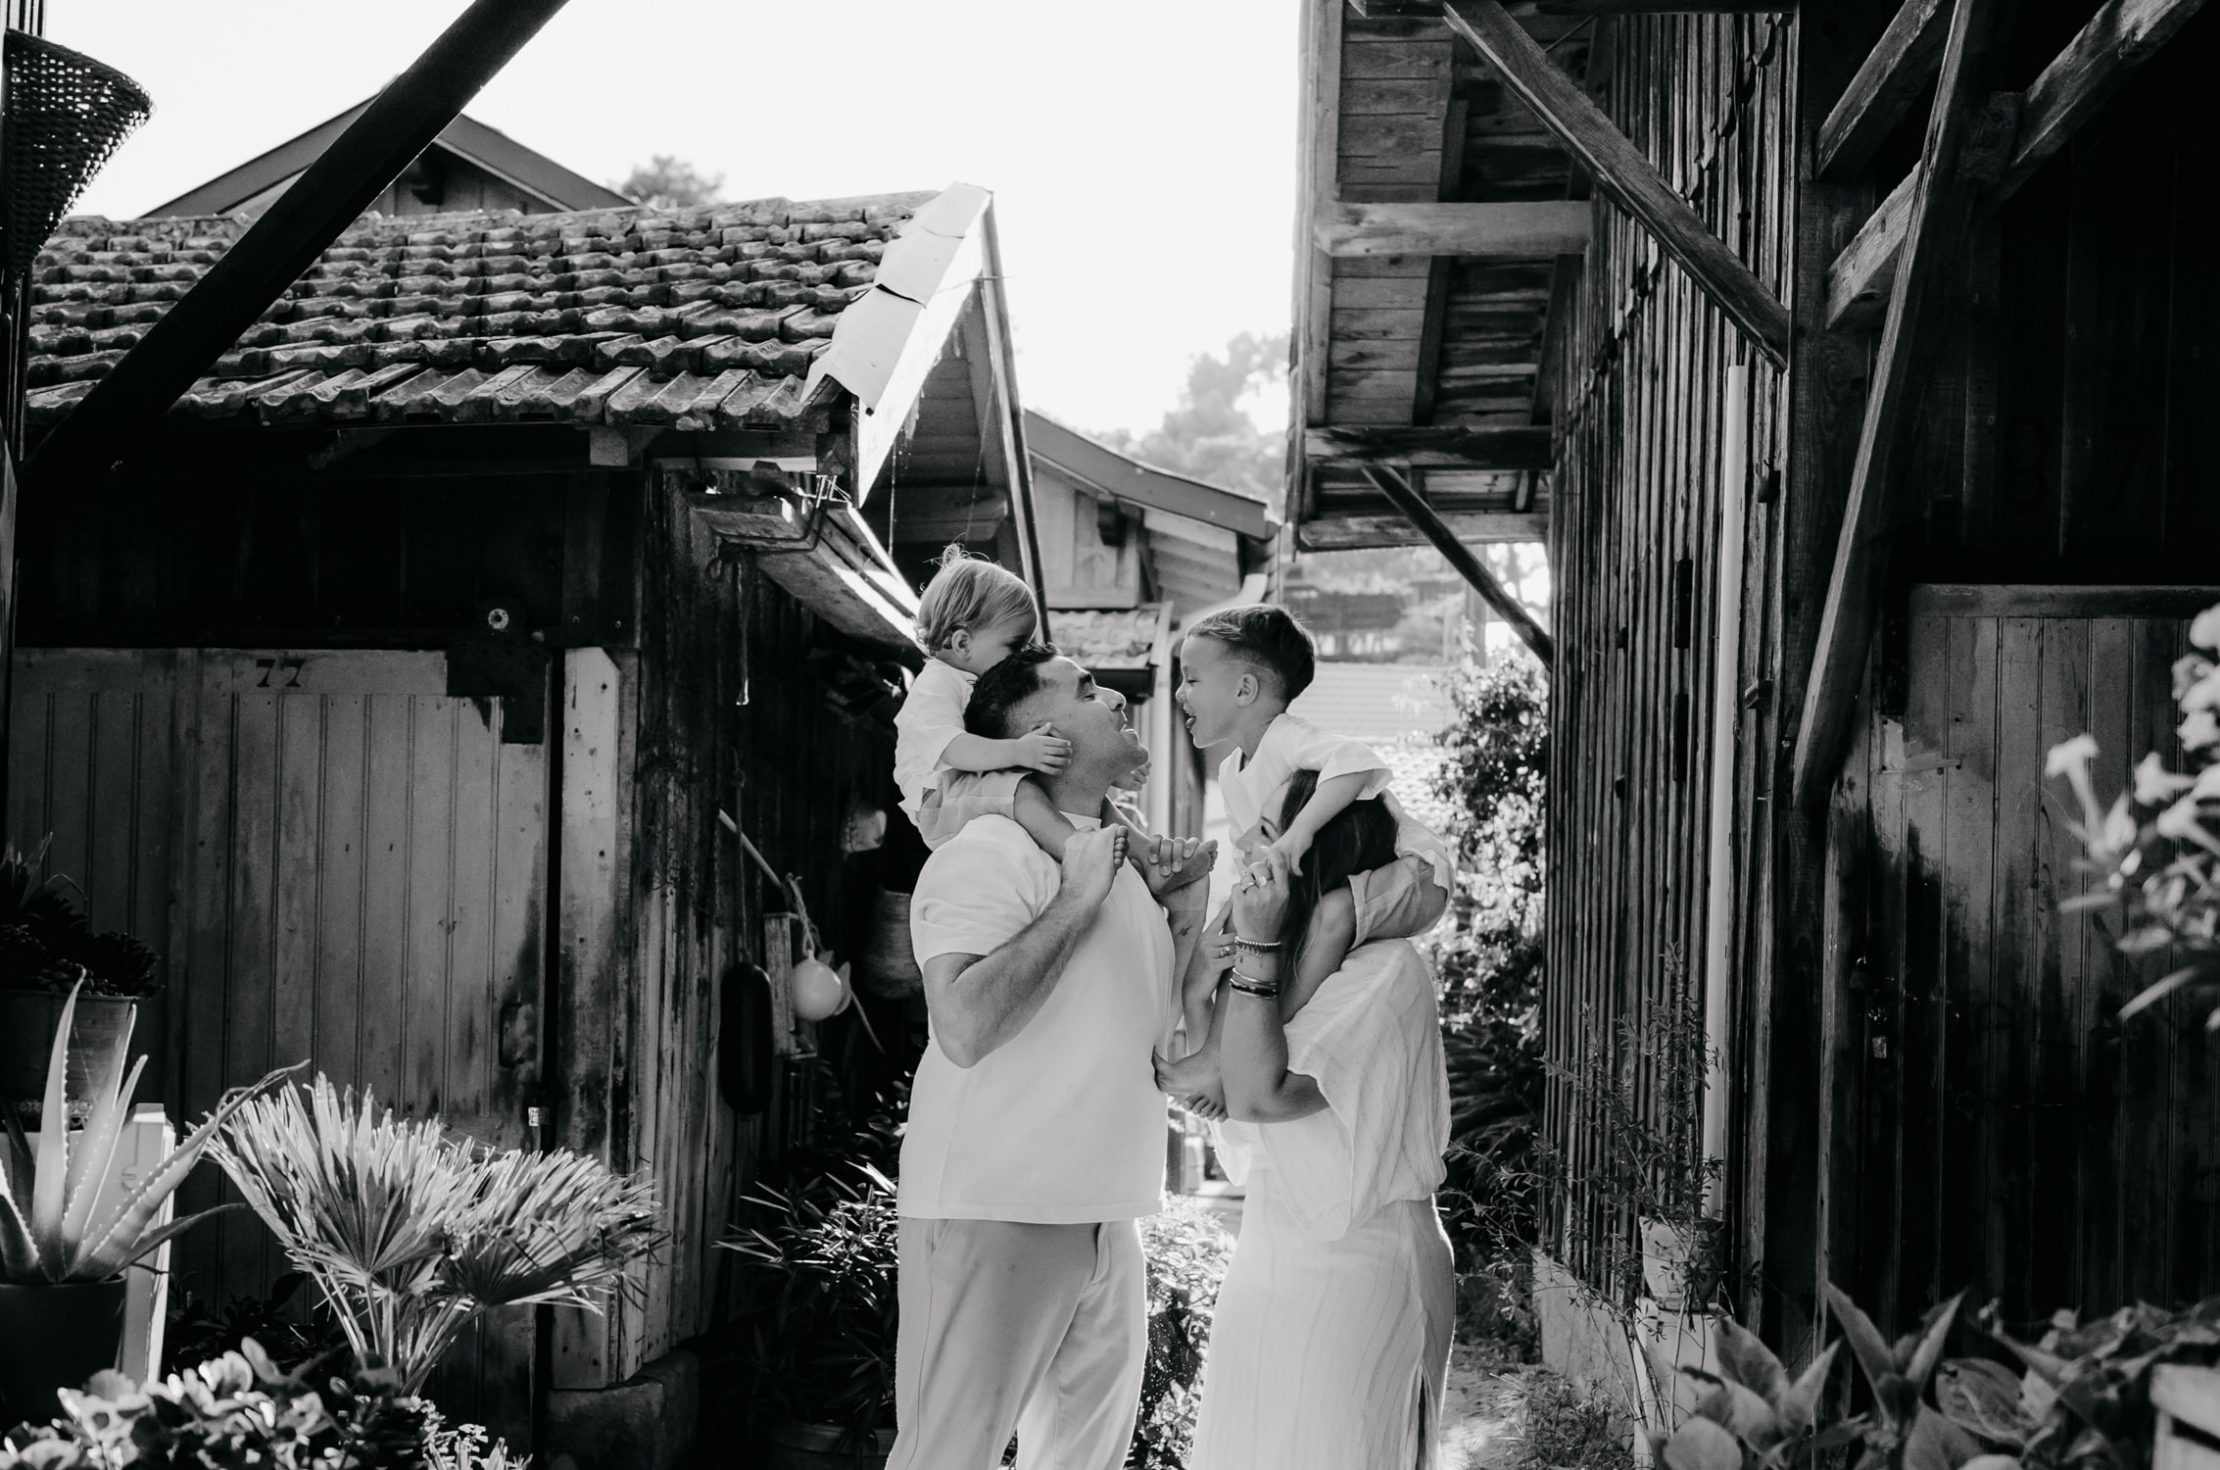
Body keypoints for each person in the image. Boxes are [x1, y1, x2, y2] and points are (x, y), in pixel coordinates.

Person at [891, 647, 1214, 1470]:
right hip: (992, 1205)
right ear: (1039, 733)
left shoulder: (1126, 870)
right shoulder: (987, 853)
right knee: (946, 1460)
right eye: (1084, 688)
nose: (1113, 695)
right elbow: (961, 1026)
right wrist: (1075, 898)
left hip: (1107, 1214)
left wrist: (1182, 916)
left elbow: (1152, 1029)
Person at [1172, 771, 1455, 1470]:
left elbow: (1265, 1095)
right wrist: (1197, 986)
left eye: (1271, 840)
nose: (1252, 860)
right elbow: (1227, 1095)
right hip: (1267, 1264)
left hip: (1360, 1264)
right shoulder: (1306, 974)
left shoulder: (1383, 972)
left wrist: (1260, 952)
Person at [1167, 603, 1453, 1089]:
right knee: (1243, 926)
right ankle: (1214, 1053)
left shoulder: (1285, 738)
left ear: (1244, 690)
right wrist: (1218, 930)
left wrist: (1297, 836)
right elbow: (1252, 870)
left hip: (1413, 873)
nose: (1180, 693)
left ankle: (1252, 1043)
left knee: (1331, 916)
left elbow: (1357, 764)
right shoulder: (1231, 774)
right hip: (1340, 874)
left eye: (1192, 680)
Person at [893, 544, 1198, 884]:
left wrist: (1112, 771)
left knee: (1055, 786)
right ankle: (1076, 852)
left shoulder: (979, 682)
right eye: (1014, 646)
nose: (1020, 658)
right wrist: (1019, 751)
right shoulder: (935, 684)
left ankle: (1146, 855)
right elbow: (953, 748)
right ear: (963, 644)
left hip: (974, 781)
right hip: (939, 800)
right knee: (1023, 791)